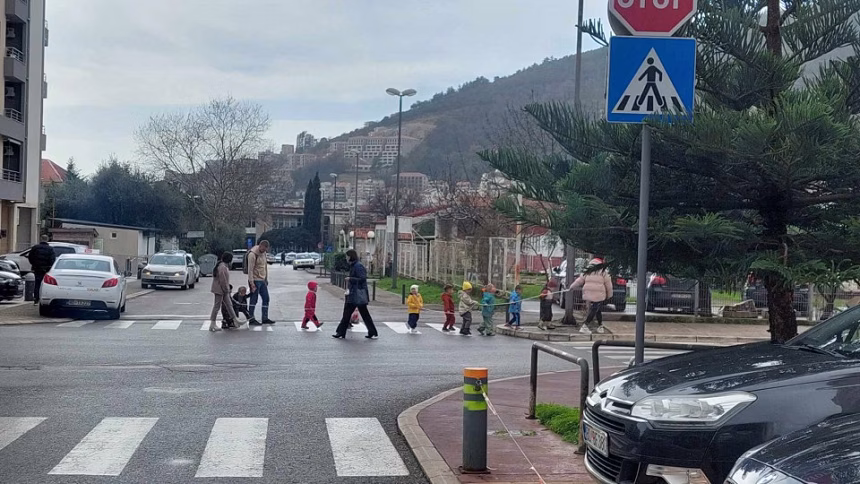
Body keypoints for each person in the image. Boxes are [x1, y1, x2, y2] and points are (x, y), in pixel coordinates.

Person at [333, 249, 379, 339]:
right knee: (363, 314)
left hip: (357, 293)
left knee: (348, 314)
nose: (346, 258)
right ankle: (372, 332)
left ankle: (340, 332)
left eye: (347, 256)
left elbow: (362, 278)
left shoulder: (358, 266)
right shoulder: (354, 265)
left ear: (350, 256)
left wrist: (350, 279)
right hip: (355, 293)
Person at [569, 258, 613, 334]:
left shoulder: (587, 270)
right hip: (599, 293)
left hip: (588, 292)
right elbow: (609, 286)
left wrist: (571, 287)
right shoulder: (604, 271)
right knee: (595, 309)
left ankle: (600, 326)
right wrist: (609, 295)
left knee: (597, 309)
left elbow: (579, 280)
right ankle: (585, 326)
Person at [246, 240, 275, 325]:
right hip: (255, 280)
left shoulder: (264, 253)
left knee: (266, 299)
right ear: (260, 246)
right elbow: (250, 270)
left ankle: (265, 318)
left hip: (262, 280)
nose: (264, 251)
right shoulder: (252, 254)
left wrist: (266, 279)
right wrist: (251, 283)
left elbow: (265, 267)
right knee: (253, 300)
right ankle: (251, 318)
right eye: (264, 249)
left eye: (266, 250)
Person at [209, 253, 238, 332]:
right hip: (220, 290)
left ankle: (235, 320)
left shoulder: (222, 266)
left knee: (229, 305)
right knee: (217, 306)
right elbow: (223, 280)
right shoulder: (222, 267)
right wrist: (226, 289)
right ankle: (212, 324)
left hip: (222, 289)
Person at [27, 235, 56, 305]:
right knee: (46, 284)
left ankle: (36, 299)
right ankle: (44, 298)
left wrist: (33, 264)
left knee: (37, 283)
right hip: (46, 269)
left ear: (41, 239)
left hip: (37, 268)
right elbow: (52, 259)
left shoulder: (35, 248)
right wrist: (49, 267)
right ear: (47, 240)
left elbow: (30, 257)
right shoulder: (50, 249)